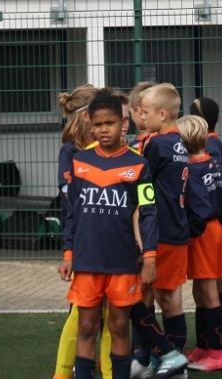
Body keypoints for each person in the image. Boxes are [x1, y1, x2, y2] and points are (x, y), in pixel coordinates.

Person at [58, 94, 158, 379]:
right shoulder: (79, 161)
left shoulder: (138, 164)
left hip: (122, 261)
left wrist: (150, 257)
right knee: (87, 326)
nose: (103, 130)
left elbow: (148, 211)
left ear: (123, 123)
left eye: (110, 123)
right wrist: (68, 253)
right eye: (98, 124)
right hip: (87, 260)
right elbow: (72, 212)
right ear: (90, 125)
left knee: (119, 326)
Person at [133, 83, 191, 379]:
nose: (142, 117)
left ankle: (169, 360)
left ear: (163, 114)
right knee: (168, 298)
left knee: (150, 296)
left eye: (146, 112)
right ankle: (159, 359)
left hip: (161, 231)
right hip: (177, 229)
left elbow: (142, 185)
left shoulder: (156, 144)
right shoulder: (180, 141)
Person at [177, 114, 222, 371]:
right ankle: (203, 347)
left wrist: (189, 234)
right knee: (200, 290)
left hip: (202, 234)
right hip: (215, 230)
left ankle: (216, 354)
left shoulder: (191, 170)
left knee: (209, 292)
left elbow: (200, 210)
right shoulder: (216, 164)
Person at [188, 96, 222, 350]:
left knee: (215, 280)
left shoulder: (209, 145)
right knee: (216, 278)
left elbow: (217, 187)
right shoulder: (214, 141)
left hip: (218, 222)